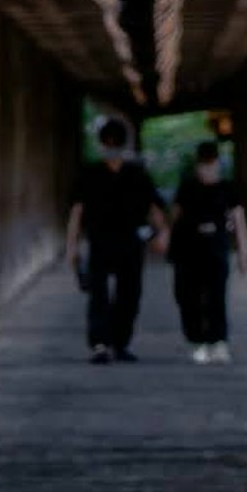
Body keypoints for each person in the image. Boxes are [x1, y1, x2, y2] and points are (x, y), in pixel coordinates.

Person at [68, 112, 164, 362]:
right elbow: (77, 211)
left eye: (115, 144)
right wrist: (72, 247)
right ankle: (100, 344)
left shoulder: (137, 175)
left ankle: (120, 343)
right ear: (102, 145)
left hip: (131, 241)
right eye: (107, 143)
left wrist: (162, 234)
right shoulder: (90, 174)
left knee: (129, 294)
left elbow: (155, 207)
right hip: (100, 240)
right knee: (97, 293)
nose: (111, 149)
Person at [166, 137, 245, 361]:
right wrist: (168, 240)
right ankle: (197, 339)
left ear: (218, 162)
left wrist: (244, 252)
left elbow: (239, 219)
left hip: (216, 247)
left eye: (211, 162)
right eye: (204, 162)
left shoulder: (227, 188)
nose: (208, 166)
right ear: (197, 164)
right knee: (188, 295)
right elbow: (176, 215)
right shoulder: (188, 187)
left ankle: (218, 340)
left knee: (216, 295)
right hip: (189, 249)